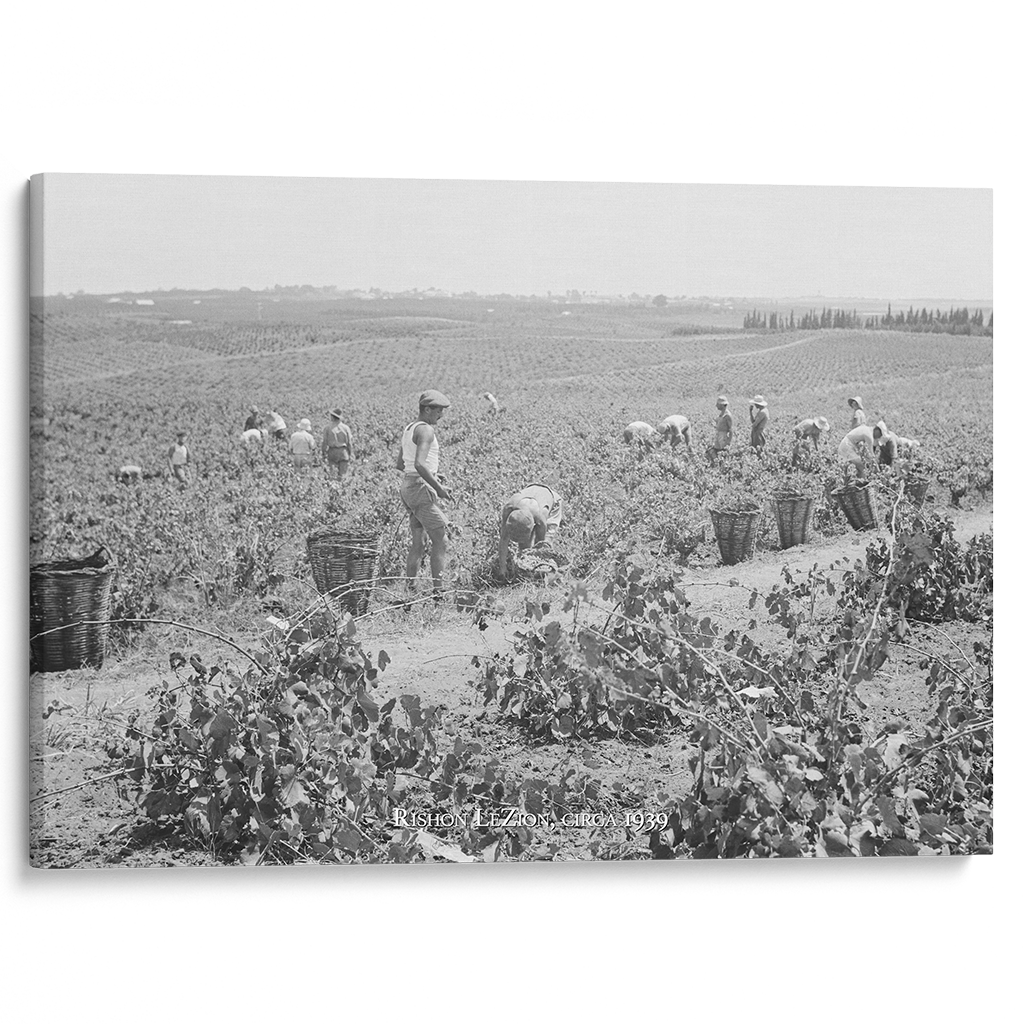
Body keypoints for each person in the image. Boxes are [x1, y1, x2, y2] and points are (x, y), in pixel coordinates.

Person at [396, 390, 452, 602]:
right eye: (438, 411)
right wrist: (438, 487)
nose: (441, 415)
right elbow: (419, 464)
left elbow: (402, 464)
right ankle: (439, 592)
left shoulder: (409, 428)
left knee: (418, 541)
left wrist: (434, 473)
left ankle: (409, 589)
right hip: (420, 489)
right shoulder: (426, 430)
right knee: (441, 540)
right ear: (427, 409)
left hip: (408, 486)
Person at [497, 483, 563, 580]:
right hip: (532, 492)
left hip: (552, 501)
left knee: (546, 545)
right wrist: (502, 568)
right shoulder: (509, 508)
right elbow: (503, 538)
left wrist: (538, 564)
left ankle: (548, 576)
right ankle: (523, 571)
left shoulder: (541, 517)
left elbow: (540, 545)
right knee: (524, 547)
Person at [322, 407, 354, 480]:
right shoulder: (346, 428)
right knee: (343, 475)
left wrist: (323, 453)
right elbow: (349, 443)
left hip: (332, 452)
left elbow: (324, 442)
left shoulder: (327, 428)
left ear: (332, 417)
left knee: (332, 474)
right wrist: (351, 453)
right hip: (343, 452)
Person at [706, 395, 734, 461]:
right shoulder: (721, 413)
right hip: (719, 435)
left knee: (723, 452)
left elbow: (731, 429)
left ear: (722, 405)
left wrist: (728, 441)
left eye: (718, 404)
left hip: (723, 436)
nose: (716, 406)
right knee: (716, 451)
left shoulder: (727, 415)